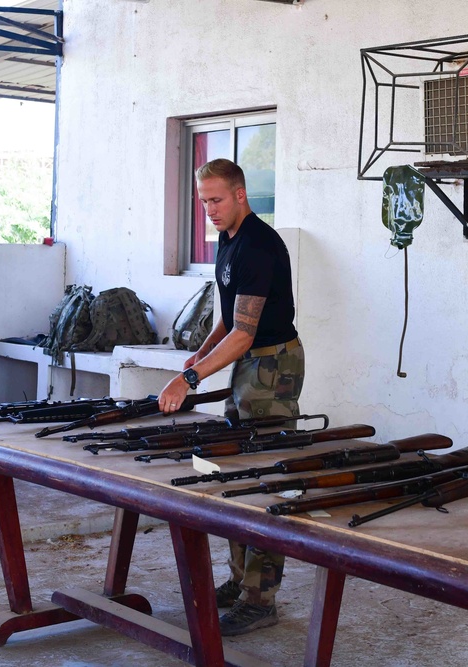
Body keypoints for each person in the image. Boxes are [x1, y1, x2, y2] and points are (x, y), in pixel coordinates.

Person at [158, 158, 304, 637]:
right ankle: (241, 581)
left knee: (263, 479)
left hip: (271, 366)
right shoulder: (229, 239)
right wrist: (197, 355)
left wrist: (192, 380)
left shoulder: (259, 246)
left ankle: (261, 600)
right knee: (235, 471)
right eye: (203, 203)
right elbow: (230, 317)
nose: (209, 211)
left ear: (241, 194)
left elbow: (245, 333)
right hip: (249, 361)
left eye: (216, 200)